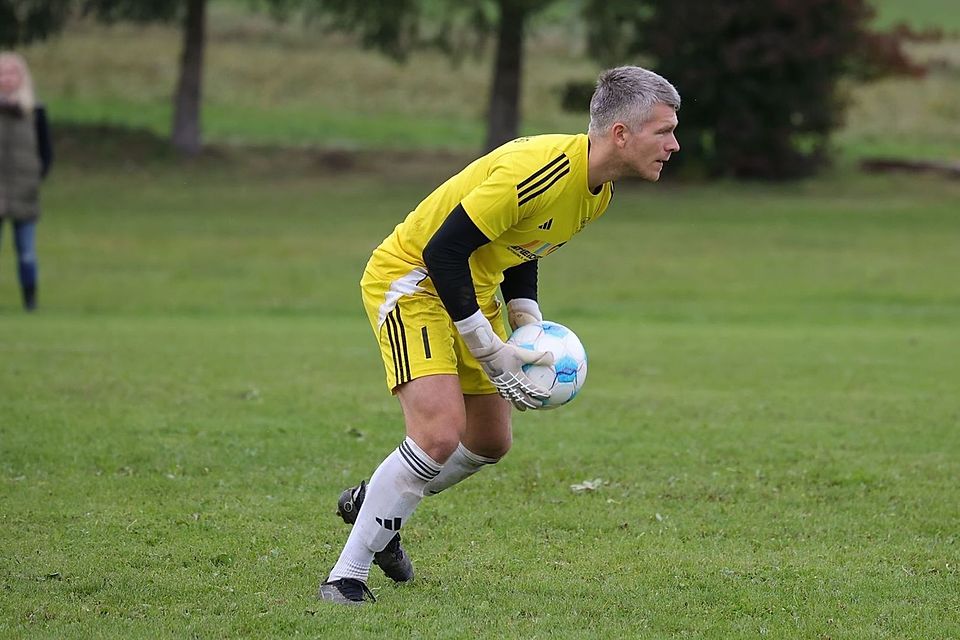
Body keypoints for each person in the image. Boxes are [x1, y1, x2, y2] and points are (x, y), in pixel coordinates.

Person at [319, 65, 681, 605]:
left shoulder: (597, 191)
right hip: (413, 281)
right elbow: (442, 251)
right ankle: (346, 577)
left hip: (472, 288)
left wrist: (528, 322)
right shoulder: (536, 170)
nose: (675, 145)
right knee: (439, 433)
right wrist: (487, 346)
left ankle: (376, 508)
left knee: (490, 441)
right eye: (664, 131)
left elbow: (519, 248)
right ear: (621, 134)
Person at [0, 52, 53, 312]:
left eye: (12, 73)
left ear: (22, 77)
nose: (7, 78)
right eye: (2, 73)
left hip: (24, 191)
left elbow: (46, 152)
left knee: (27, 253)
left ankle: (30, 304)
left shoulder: (35, 111)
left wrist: (35, 178)